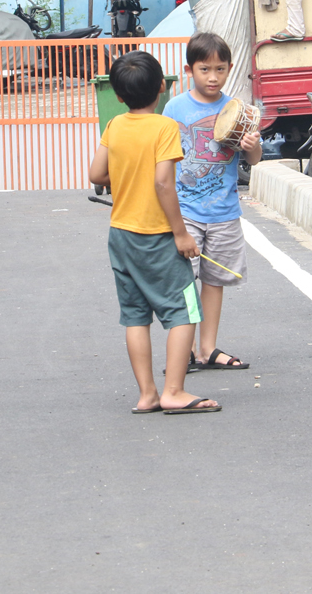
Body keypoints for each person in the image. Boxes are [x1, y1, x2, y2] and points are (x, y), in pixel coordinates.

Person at [88, 51, 221, 415]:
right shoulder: (164, 128)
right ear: (161, 88)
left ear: (117, 95)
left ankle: (147, 394)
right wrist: (181, 234)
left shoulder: (115, 125)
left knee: (135, 315)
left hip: (121, 235)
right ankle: (174, 391)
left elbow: (96, 175)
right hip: (158, 236)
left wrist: (127, 176)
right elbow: (164, 183)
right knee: (185, 312)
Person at [162, 32, 262, 372]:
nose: (213, 77)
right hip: (185, 210)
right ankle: (184, 350)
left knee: (215, 280)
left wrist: (252, 145)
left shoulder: (237, 109)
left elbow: (256, 159)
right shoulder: (174, 108)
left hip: (223, 212)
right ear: (189, 70)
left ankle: (207, 348)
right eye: (205, 69)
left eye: (220, 69)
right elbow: (163, 159)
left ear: (230, 68)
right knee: (184, 280)